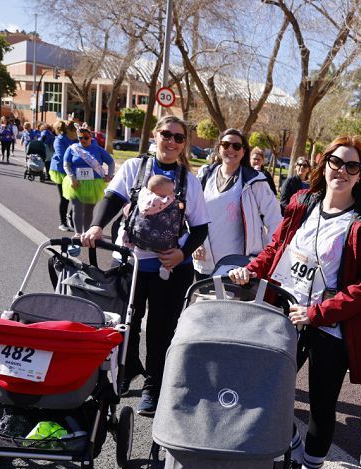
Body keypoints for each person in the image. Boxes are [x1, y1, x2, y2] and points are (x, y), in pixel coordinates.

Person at [227, 135, 361, 469]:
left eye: (352, 166)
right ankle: (290, 445)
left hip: (330, 324)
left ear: (360, 174)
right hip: (284, 314)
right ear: (324, 162)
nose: (342, 172)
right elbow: (275, 249)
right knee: (265, 391)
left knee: (321, 404)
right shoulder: (302, 202)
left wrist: (318, 312)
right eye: (336, 162)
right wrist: (249, 272)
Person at [80, 115, 210, 416]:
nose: (172, 142)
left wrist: (181, 253)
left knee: (160, 329)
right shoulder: (134, 168)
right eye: (167, 134)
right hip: (130, 262)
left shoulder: (189, 181)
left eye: (179, 138)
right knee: (126, 322)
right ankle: (126, 370)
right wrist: (97, 226)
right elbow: (112, 199)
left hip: (170, 268)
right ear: (155, 135)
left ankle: (153, 386)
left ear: (183, 144)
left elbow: (200, 227)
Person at [193, 128, 282, 278]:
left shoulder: (255, 181)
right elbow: (191, 212)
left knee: (230, 302)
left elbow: (274, 221)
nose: (231, 149)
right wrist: (195, 242)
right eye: (225, 144)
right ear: (219, 148)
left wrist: (264, 259)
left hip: (237, 269)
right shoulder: (204, 175)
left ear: (243, 151)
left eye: (236, 146)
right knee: (203, 301)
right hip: (203, 262)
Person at [62, 125, 114, 243]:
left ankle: (86, 232)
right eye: (80, 138)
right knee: (77, 208)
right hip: (76, 182)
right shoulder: (72, 149)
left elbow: (111, 162)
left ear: (90, 137)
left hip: (93, 184)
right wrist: (71, 178)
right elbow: (66, 164)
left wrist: (109, 175)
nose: (83, 140)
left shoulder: (98, 149)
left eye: (86, 137)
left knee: (89, 209)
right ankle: (78, 232)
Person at [50, 120, 77, 231]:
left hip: (74, 170)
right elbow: (62, 157)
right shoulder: (59, 140)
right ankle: (62, 222)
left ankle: (70, 215)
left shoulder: (76, 139)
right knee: (65, 197)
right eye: (74, 130)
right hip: (61, 171)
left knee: (78, 197)